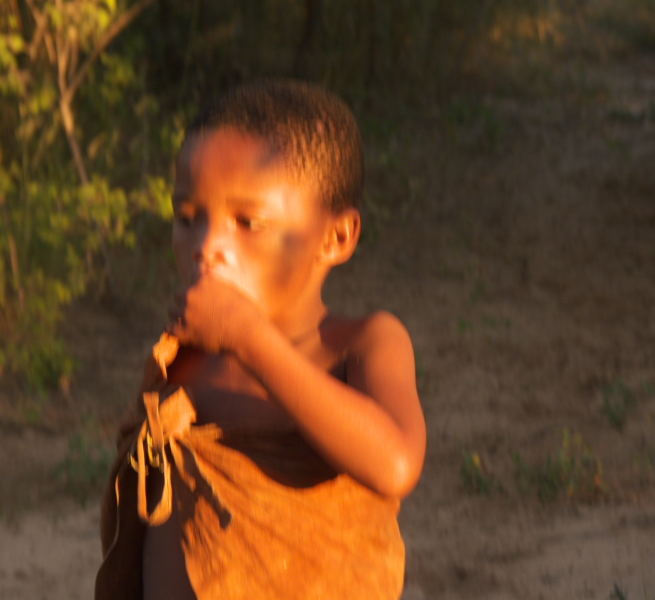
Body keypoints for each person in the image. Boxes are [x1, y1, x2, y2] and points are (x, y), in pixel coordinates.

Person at [95, 79, 426, 600]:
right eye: (187, 218)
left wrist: (252, 340)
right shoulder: (181, 360)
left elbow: (395, 464)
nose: (207, 246)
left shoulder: (358, 344)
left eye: (247, 222)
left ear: (336, 238)